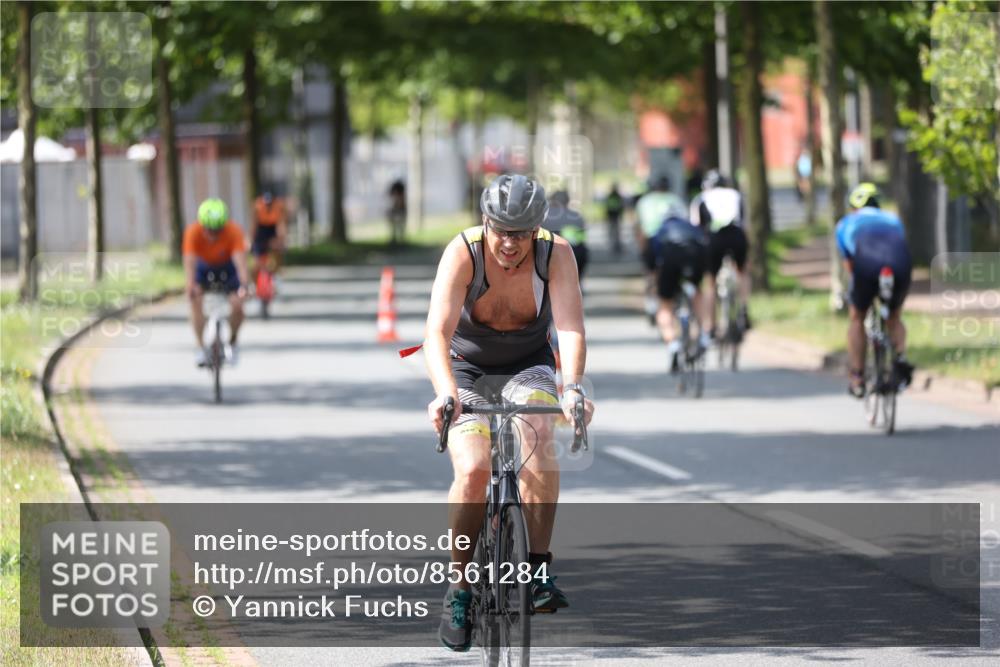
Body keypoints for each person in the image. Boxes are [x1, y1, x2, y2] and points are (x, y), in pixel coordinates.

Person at [424, 174, 594, 651]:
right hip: (466, 368)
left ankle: (537, 569)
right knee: (474, 468)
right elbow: (435, 332)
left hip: (529, 365)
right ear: (486, 222)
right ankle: (458, 587)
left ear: (537, 230)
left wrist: (574, 388)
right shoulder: (464, 252)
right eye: (502, 230)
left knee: (539, 433)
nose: (510, 243)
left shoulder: (555, 254)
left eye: (522, 233)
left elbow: (571, 326)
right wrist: (444, 393)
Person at [835, 183, 914, 397]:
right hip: (899, 265)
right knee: (894, 317)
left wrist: (857, 297)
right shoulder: (893, 219)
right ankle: (899, 357)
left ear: (853, 206)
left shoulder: (845, 224)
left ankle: (857, 377)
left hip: (866, 265)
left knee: (856, 318)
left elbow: (850, 264)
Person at [183, 198, 248, 366]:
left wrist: (244, 285)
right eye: (209, 230)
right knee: (195, 300)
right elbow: (189, 261)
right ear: (202, 225)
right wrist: (190, 284)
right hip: (203, 267)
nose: (213, 235)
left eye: (217, 230)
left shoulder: (234, 231)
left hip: (228, 266)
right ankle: (199, 346)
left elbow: (240, 261)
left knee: (238, 305)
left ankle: (233, 342)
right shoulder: (192, 232)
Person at [689, 169, 751, 336]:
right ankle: (744, 309)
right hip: (736, 235)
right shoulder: (735, 194)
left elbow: (695, 227)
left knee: (710, 282)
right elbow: (745, 224)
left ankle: (710, 326)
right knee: (742, 271)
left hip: (714, 238)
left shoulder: (701, 198)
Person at [650, 215, 711, 372]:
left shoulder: (661, 230)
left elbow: (655, 261)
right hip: (696, 253)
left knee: (665, 304)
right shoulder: (691, 227)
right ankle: (704, 335)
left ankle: (673, 345)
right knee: (697, 293)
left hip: (671, 256)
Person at [636, 175, 687, 323]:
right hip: (677, 239)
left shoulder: (645, 201)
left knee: (651, 272)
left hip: (653, 239)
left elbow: (640, 227)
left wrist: (642, 249)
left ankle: (652, 303)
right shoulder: (676, 200)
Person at [544, 190, 589, 279]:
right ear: (567, 201)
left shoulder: (544, 216)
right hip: (575, 253)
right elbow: (582, 238)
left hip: (549, 254)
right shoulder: (576, 216)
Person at [249, 190, 287, 282]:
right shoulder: (257, 207)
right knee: (256, 261)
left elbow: (281, 225)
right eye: (266, 203)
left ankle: (276, 276)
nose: (268, 206)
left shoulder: (278, 207)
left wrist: (281, 239)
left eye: (270, 203)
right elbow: (254, 225)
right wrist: (251, 240)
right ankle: (255, 283)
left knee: (277, 252)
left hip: (272, 230)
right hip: (261, 232)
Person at [604, 182, 625, 255]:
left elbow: (620, 206)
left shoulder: (614, 196)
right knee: (614, 232)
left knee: (616, 232)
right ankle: (614, 245)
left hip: (615, 217)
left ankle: (616, 245)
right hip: (613, 217)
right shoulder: (613, 196)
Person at [388, 179, 406, 245]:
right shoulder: (395, 197)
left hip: (400, 210)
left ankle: (401, 240)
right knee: (395, 226)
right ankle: (395, 238)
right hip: (396, 210)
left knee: (400, 226)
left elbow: (400, 203)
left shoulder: (401, 196)